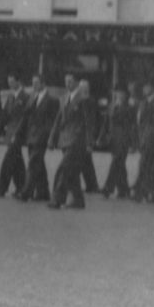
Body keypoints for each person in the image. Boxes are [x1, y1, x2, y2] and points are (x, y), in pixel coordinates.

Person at [48, 73, 95, 210]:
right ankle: (78, 201)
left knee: (63, 169)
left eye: (70, 81)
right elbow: (58, 120)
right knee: (72, 172)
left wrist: (89, 143)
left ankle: (57, 199)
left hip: (76, 140)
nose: (67, 84)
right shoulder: (63, 98)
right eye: (66, 81)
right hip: (64, 139)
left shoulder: (83, 99)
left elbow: (89, 123)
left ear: (76, 83)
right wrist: (52, 138)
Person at [16, 73, 58, 202]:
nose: (34, 85)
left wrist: (49, 136)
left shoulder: (51, 100)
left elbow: (53, 121)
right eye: (33, 83)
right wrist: (19, 133)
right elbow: (26, 116)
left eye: (36, 83)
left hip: (42, 136)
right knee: (38, 164)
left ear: (43, 84)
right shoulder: (32, 97)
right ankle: (43, 192)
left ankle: (26, 192)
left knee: (33, 163)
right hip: (31, 135)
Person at [0, 72, 28, 197]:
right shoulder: (10, 96)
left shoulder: (25, 97)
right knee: (17, 161)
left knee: (8, 160)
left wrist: (18, 133)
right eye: (9, 82)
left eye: (12, 82)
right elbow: (4, 115)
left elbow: (25, 118)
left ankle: (1, 188)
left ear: (18, 82)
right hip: (10, 132)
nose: (10, 84)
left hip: (18, 133)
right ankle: (22, 187)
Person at [100, 85, 137, 199]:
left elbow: (133, 126)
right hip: (113, 139)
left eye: (121, 93)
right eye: (117, 92)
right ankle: (123, 188)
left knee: (116, 161)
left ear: (126, 95)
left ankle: (108, 187)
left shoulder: (129, 108)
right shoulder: (111, 106)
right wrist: (101, 137)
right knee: (119, 164)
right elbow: (106, 123)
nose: (119, 95)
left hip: (124, 139)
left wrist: (133, 143)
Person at [76, 80, 100, 194]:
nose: (84, 90)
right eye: (81, 88)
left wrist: (90, 140)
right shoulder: (78, 100)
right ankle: (92, 185)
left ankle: (92, 185)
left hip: (86, 135)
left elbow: (92, 121)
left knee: (84, 161)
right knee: (86, 162)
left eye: (85, 88)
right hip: (79, 135)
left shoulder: (90, 101)